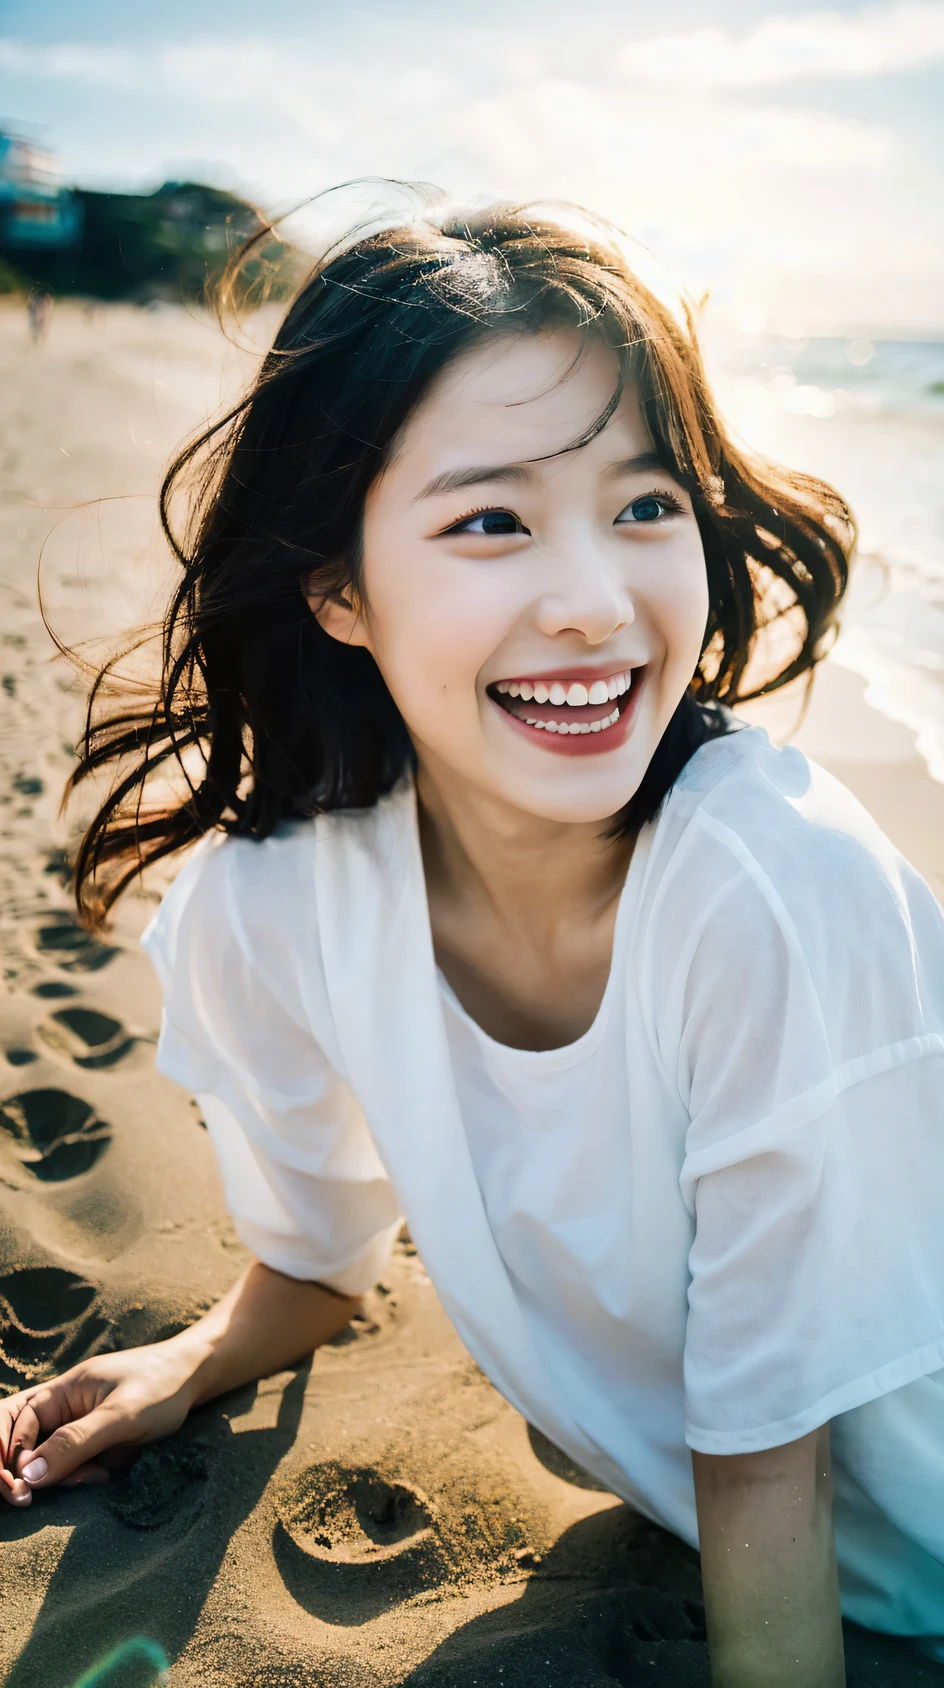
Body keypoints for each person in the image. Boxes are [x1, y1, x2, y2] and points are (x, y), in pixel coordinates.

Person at [2, 198, 943, 1686]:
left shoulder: (771, 894)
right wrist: (194, 1360)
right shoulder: (280, 907)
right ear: (337, 589)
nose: (595, 603)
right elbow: (320, 1262)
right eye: (490, 520)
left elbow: (775, 1475)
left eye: (646, 505)